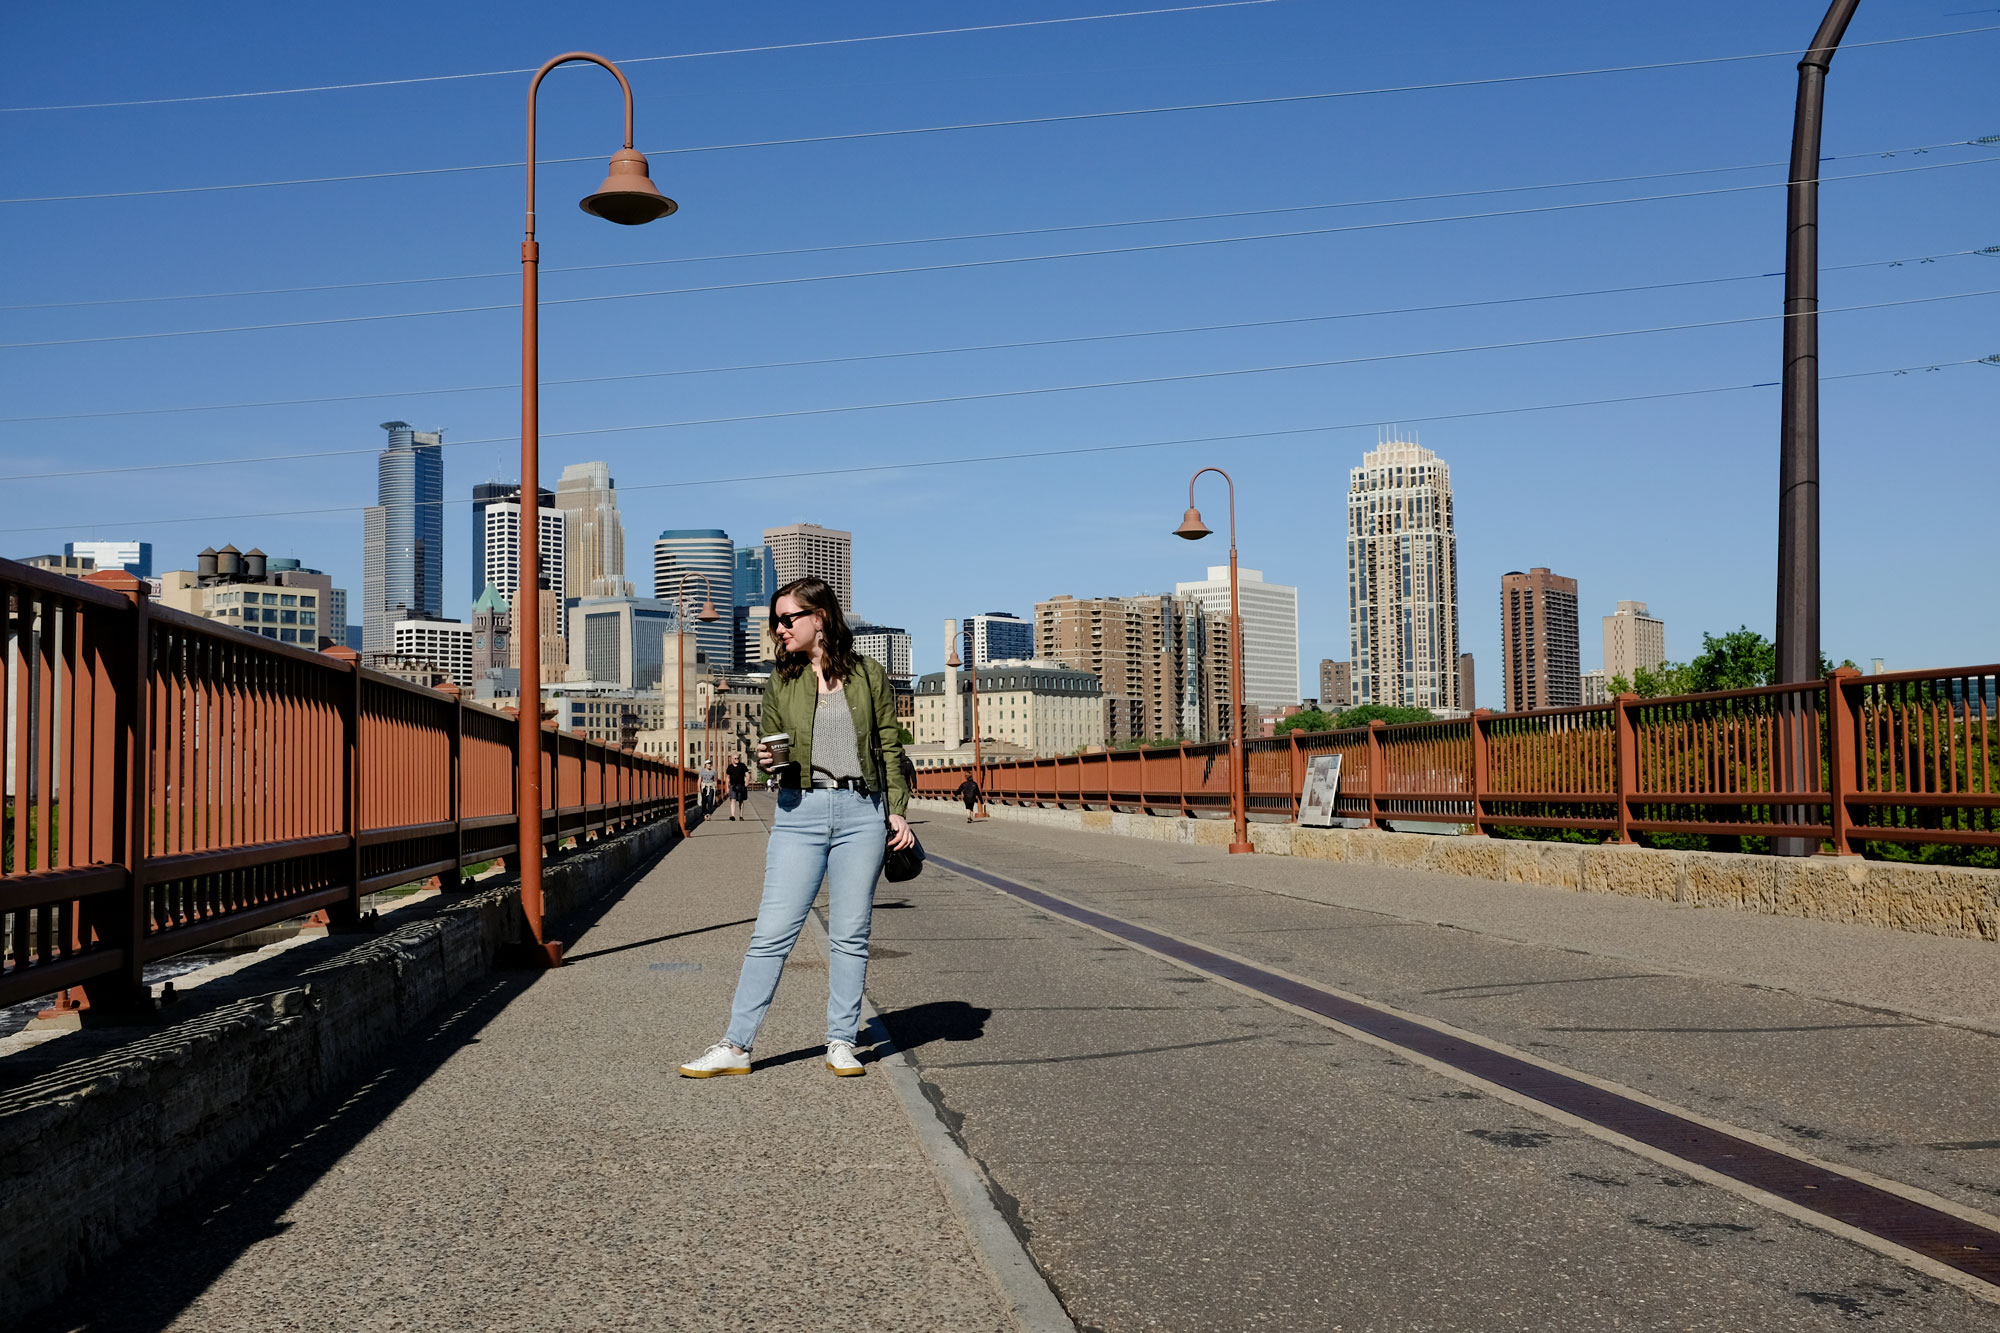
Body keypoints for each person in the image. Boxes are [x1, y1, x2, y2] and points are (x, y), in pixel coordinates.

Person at [679, 577, 915, 1080]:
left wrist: (897, 810)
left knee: (851, 935)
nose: (779, 629)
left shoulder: (869, 675)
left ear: (820, 618)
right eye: (776, 621)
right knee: (771, 934)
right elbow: (768, 756)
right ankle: (736, 1045)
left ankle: (842, 1041)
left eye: (788, 619)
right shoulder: (780, 681)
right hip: (799, 813)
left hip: (861, 812)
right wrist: (763, 760)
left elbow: (890, 747)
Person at [725, 753, 750, 821]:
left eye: (738, 758)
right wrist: (727, 787)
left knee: (741, 801)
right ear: (732, 759)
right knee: (732, 800)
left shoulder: (742, 766)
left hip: (741, 785)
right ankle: (732, 815)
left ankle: (741, 816)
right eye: (735, 758)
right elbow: (727, 778)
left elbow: (747, 774)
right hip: (732, 786)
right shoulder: (730, 767)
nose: (737, 759)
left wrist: (747, 781)